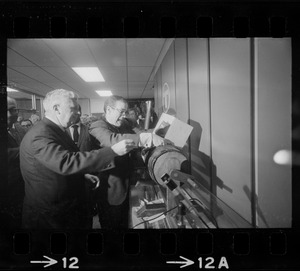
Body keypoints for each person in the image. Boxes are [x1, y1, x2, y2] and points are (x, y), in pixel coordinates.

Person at [19, 89, 136, 230]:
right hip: (50, 216)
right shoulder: (41, 134)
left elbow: (54, 163)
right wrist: (112, 151)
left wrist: (82, 176)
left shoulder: (56, 130)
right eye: (73, 108)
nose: (78, 112)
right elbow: (66, 162)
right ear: (56, 109)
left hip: (66, 209)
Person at [89, 95, 167, 229]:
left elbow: (140, 132)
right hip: (111, 190)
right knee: (112, 225)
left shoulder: (124, 123)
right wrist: (144, 138)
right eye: (121, 112)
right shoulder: (96, 126)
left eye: (125, 112)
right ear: (109, 110)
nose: (123, 116)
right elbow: (111, 139)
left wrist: (158, 133)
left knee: (127, 222)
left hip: (130, 184)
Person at [67, 104, 99, 228]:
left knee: (87, 216)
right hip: (69, 179)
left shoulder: (89, 130)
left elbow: (96, 152)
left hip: (88, 180)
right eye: (73, 111)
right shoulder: (61, 132)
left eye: (78, 111)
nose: (77, 114)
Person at [0, 97, 27, 229]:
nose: (9, 114)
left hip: (24, 190)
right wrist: (27, 150)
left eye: (13, 110)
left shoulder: (22, 130)